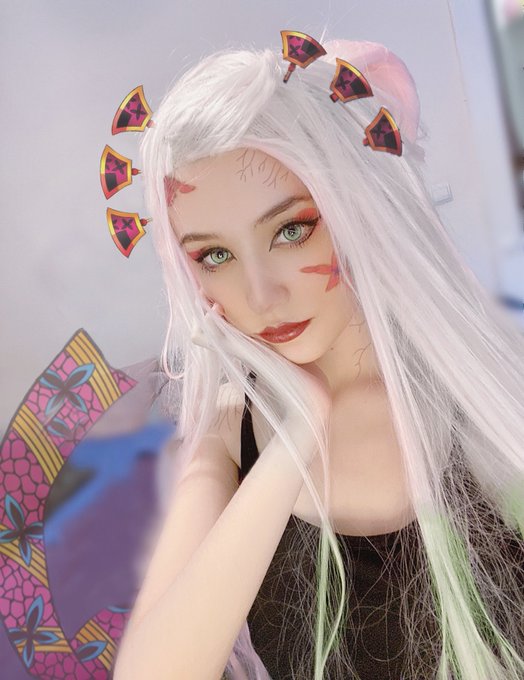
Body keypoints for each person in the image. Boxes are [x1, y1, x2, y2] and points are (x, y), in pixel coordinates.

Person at [112, 37, 524, 680]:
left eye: (290, 230)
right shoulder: (230, 427)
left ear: (357, 206)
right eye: (214, 255)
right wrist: (295, 431)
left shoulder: (479, 392)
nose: (261, 296)